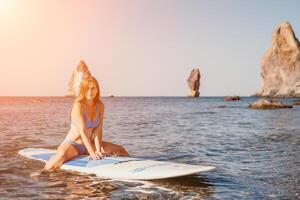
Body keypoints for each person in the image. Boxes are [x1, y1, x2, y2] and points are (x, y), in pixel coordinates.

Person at [44, 75, 129, 170]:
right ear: (83, 90)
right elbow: (83, 132)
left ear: (97, 90)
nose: (90, 92)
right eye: (87, 88)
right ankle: (41, 174)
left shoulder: (100, 106)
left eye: (93, 88)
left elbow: (98, 130)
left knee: (120, 149)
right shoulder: (78, 106)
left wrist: (98, 150)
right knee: (60, 157)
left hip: (90, 143)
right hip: (74, 144)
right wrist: (92, 153)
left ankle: (127, 169)